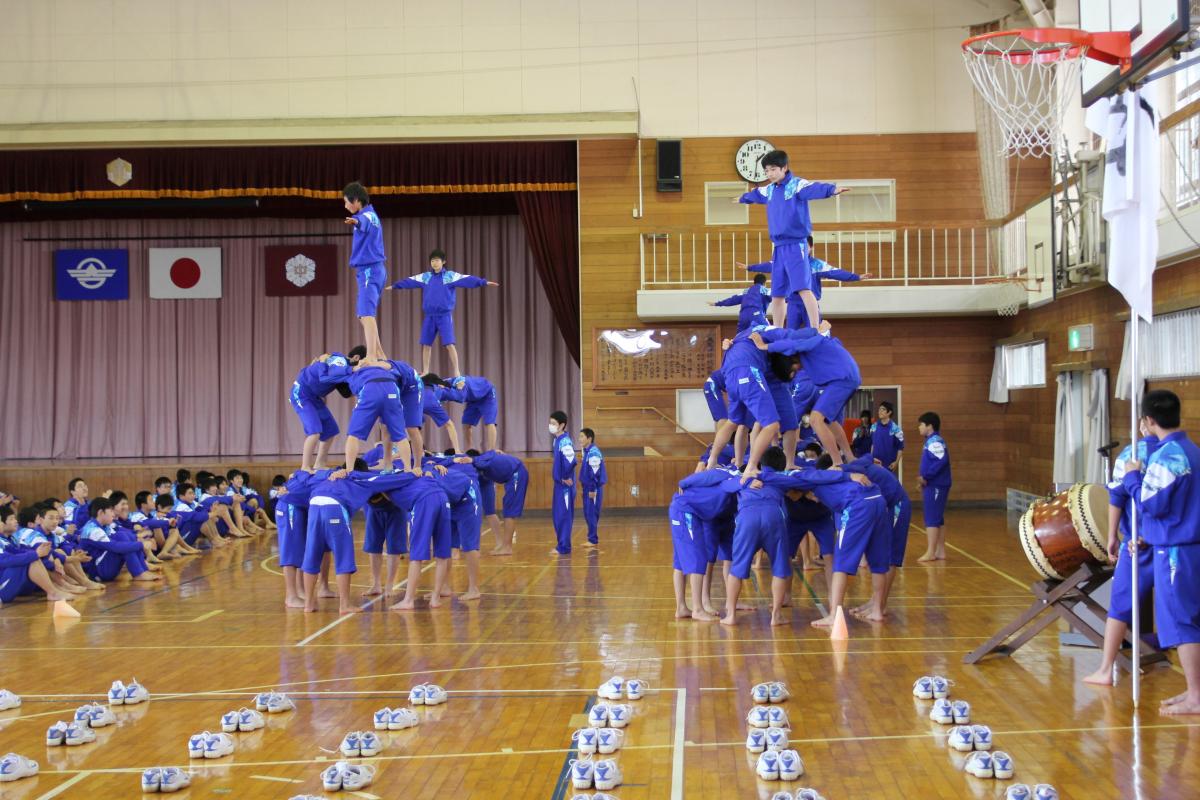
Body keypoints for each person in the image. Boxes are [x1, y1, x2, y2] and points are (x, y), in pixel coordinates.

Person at [1120, 390, 1200, 716]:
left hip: (1176, 551)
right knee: (1189, 621)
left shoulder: (1170, 456)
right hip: (1189, 547)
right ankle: (1194, 690)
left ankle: (1196, 695)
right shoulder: (1190, 449)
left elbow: (1151, 503)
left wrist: (1131, 478)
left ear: (1149, 421)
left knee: (1182, 624)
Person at [734, 149, 846, 329]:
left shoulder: (796, 185)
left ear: (784, 167)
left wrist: (832, 190)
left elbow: (814, 188)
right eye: (767, 171)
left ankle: (816, 326)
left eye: (773, 169)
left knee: (803, 288)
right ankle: (778, 330)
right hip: (778, 247)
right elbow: (756, 194)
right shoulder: (769, 190)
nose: (769, 174)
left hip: (796, 244)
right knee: (778, 293)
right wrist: (743, 198)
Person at [1083, 427, 1158, 686]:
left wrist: (1113, 535)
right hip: (1172, 545)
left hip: (1136, 546)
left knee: (1119, 607)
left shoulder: (1131, 454)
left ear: (1145, 424)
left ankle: (1106, 669)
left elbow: (1117, 495)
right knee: (1184, 610)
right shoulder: (1181, 454)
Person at [385, 248, 498, 375]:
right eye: (432, 261)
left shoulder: (450, 276)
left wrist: (484, 282)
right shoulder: (426, 277)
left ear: (444, 262)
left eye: (437, 260)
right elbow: (409, 281)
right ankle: (426, 371)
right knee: (426, 344)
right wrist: (395, 286)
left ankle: (457, 371)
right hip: (429, 316)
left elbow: (468, 279)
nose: (434, 263)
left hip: (444, 316)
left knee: (450, 344)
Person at [760, 321, 860, 464]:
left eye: (794, 370)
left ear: (790, 359)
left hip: (842, 379)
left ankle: (837, 462)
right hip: (846, 378)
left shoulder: (805, 345)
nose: (799, 370)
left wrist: (766, 346)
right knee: (827, 420)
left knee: (815, 419)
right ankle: (849, 457)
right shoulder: (817, 341)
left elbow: (791, 345)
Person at [291, 349, 362, 473]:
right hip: (301, 394)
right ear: (356, 358)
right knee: (314, 432)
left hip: (314, 397)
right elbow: (325, 377)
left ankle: (320, 464)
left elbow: (345, 392)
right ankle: (305, 467)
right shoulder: (341, 362)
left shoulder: (340, 362)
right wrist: (353, 369)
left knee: (330, 430)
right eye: (364, 363)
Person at [344, 359, 416, 476]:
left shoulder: (355, 372)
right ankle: (407, 470)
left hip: (370, 389)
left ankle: (349, 471)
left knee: (353, 435)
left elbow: (354, 389)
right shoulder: (383, 367)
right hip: (392, 389)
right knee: (400, 435)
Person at [343, 182, 388, 361]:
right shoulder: (371, 213)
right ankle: (379, 353)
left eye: (347, 202)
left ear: (356, 200)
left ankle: (370, 356)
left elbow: (365, 221)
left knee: (367, 313)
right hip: (369, 271)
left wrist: (357, 220)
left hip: (370, 270)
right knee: (363, 315)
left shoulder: (367, 215)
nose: (345, 206)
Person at [455, 449, 527, 556]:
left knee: (510, 511)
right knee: (508, 510)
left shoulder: (480, 460)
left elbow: (483, 459)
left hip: (517, 473)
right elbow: (491, 454)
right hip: (512, 474)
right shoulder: (484, 459)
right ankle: (504, 545)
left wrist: (471, 460)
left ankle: (507, 547)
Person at [0, 505, 73, 605]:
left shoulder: (12, 539)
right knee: (32, 559)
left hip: (14, 583)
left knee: (34, 557)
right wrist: (38, 555)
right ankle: (53, 591)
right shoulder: (26, 533)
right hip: (2, 589)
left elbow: (26, 552)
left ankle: (56, 588)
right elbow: (5, 560)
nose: (16, 521)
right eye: (11, 519)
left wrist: (54, 562)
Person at [78, 498, 161, 583]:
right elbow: (115, 547)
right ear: (100, 513)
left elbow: (128, 536)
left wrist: (140, 538)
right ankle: (138, 573)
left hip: (104, 567)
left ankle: (143, 570)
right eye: (110, 511)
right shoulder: (92, 530)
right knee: (122, 539)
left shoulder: (105, 526)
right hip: (97, 572)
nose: (113, 514)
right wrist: (142, 545)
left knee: (126, 537)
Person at [917, 411, 951, 562]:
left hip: (936, 484)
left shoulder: (935, 441)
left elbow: (940, 461)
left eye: (921, 424)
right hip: (934, 484)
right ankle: (940, 550)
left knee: (931, 517)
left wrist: (926, 476)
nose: (919, 427)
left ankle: (931, 552)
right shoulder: (931, 441)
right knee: (938, 518)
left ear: (929, 426)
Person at [434, 373, 499, 452]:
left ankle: (492, 450)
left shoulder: (457, 381)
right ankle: (469, 449)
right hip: (473, 398)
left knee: (489, 422)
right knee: (466, 423)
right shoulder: (438, 388)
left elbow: (460, 397)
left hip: (487, 394)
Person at [549, 411, 577, 556]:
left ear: (562, 425)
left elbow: (571, 460)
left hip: (565, 485)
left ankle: (564, 547)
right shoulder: (557, 440)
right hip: (559, 484)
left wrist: (565, 476)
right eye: (550, 423)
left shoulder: (565, 441)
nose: (551, 426)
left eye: (554, 424)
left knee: (564, 516)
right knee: (558, 515)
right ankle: (562, 543)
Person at [579, 428, 606, 547]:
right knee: (588, 512)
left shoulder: (593, 452)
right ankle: (591, 538)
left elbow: (595, 473)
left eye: (582, 437)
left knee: (592, 513)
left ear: (589, 439)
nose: (579, 439)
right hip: (587, 488)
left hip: (592, 489)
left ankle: (592, 539)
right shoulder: (587, 451)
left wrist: (592, 489)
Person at [871, 401, 905, 472]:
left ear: (889, 412)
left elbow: (900, 448)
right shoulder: (874, 427)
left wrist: (896, 462)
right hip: (875, 464)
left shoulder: (896, 429)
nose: (880, 411)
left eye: (883, 409)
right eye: (879, 409)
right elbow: (873, 444)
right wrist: (871, 459)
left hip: (888, 466)